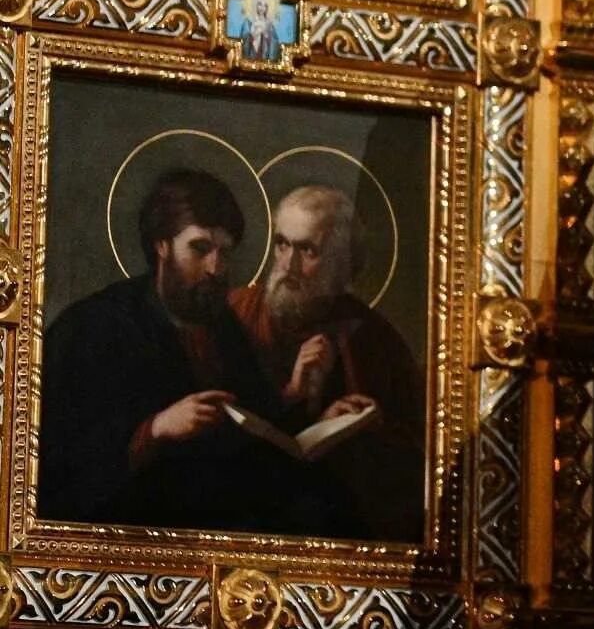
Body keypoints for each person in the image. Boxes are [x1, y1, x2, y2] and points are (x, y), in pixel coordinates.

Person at [39, 168, 358, 534]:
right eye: (200, 249)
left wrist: (300, 402)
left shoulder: (221, 326)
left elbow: (249, 431)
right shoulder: (92, 327)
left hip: (219, 518)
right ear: (162, 245)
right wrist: (154, 430)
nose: (215, 268)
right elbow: (58, 463)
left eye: (224, 253)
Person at [228, 182, 426, 540]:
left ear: (339, 263)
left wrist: (367, 426)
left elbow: (415, 459)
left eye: (307, 250)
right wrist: (291, 393)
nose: (288, 263)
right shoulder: (235, 314)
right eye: (283, 244)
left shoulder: (375, 340)